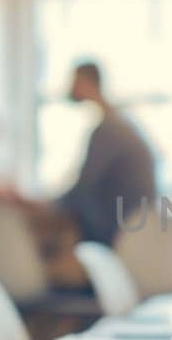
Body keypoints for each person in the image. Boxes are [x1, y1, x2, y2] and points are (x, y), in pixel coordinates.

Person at [53, 62, 156, 246]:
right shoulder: (120, 124)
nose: (70, 88)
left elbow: (81, 189)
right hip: (133, 226)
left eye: (75, 81)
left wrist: (46, 204)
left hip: (118, 230)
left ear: (87, 82)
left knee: (52, 233)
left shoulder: (110, 131)